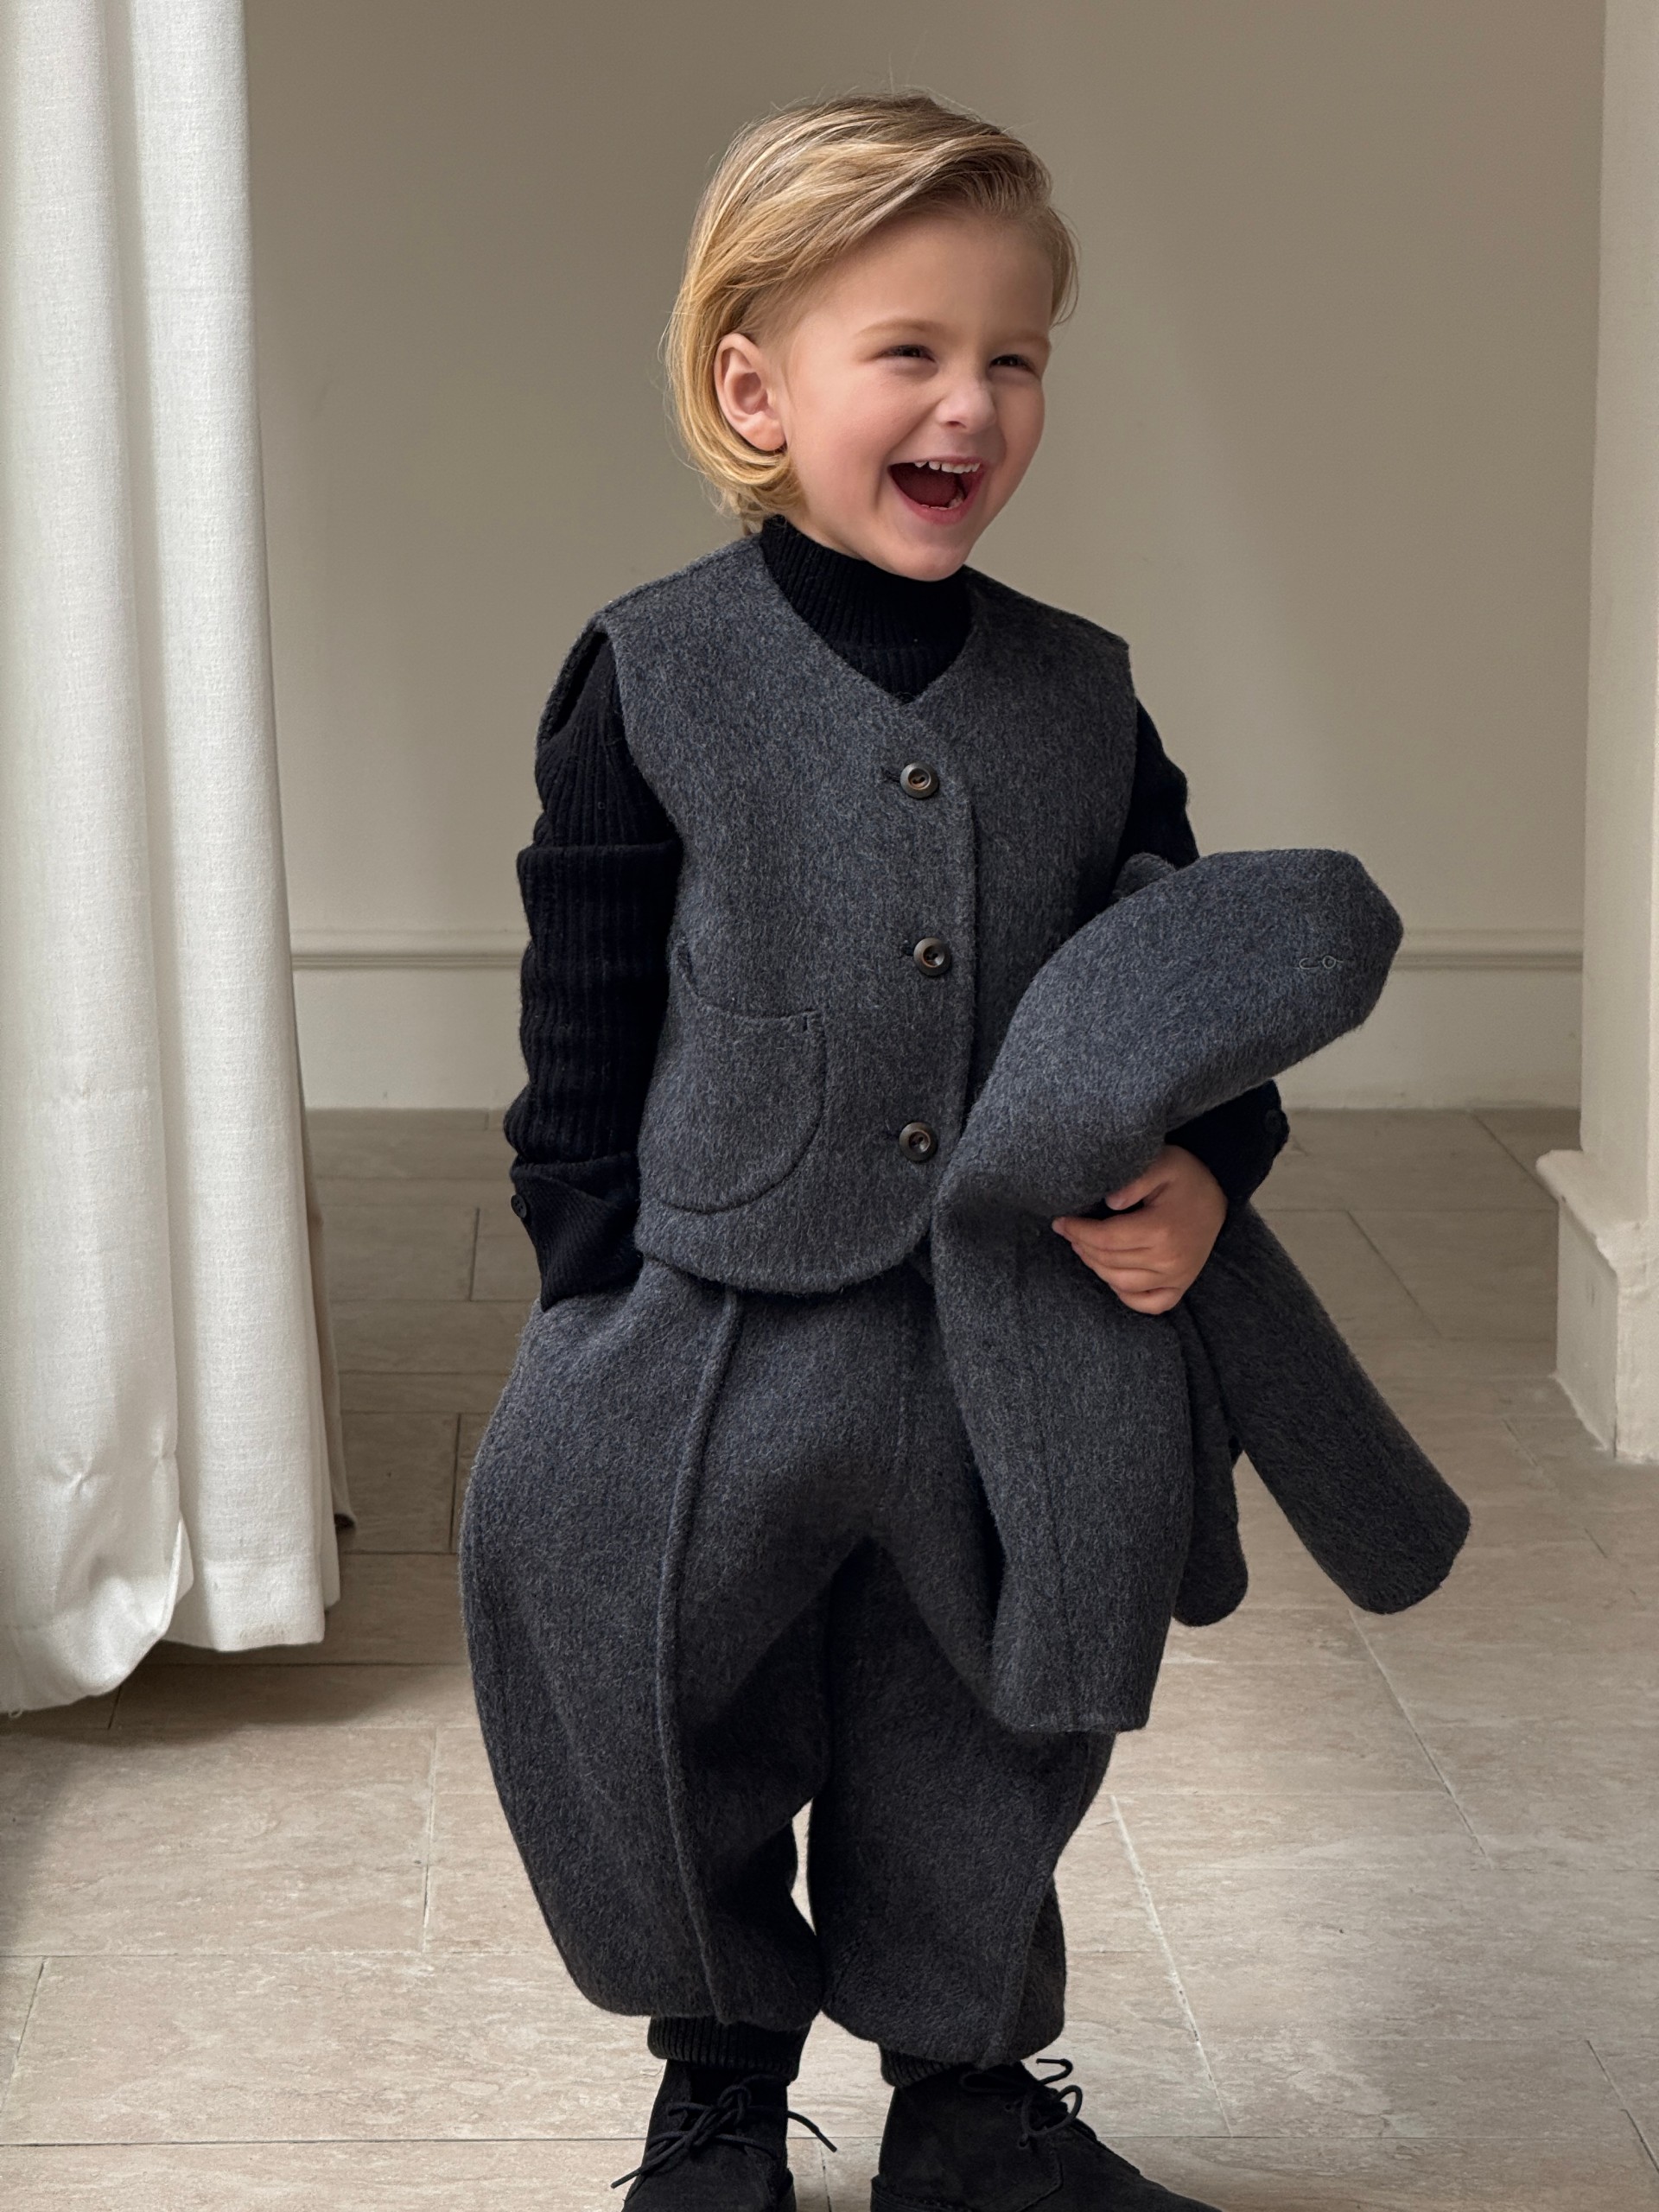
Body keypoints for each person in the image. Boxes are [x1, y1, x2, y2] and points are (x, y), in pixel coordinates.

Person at [460, 92, 1291, 2211]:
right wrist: (585, 1264)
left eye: (1014, 356)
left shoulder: (1085, 695)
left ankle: (969, 2100)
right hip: (718, 1311)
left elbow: (1189, 974)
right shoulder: (655, 669)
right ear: (757, 389)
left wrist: (1212, 1165)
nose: (970, 402)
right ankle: (721, 2080)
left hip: (1008, 1335)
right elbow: (585, 990)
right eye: (907, 350)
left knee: (993, 1709)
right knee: (664, 1679)